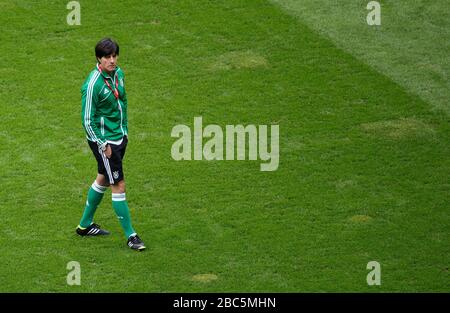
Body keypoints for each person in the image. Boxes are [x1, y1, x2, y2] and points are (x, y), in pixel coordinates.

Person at [76, 38, 145, 251]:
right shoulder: (93, 85)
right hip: (105, 142)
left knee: (104, 178)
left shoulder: (118, 74)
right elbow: (87, 120)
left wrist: (123, 133)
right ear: (99, 58)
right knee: (118, 184)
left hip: (119, 136)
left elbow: (121, 102)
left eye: (115, 56)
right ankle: (131, 236)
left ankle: (84, 226)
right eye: (108, 57)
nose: (112, 60)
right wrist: (103, 144)